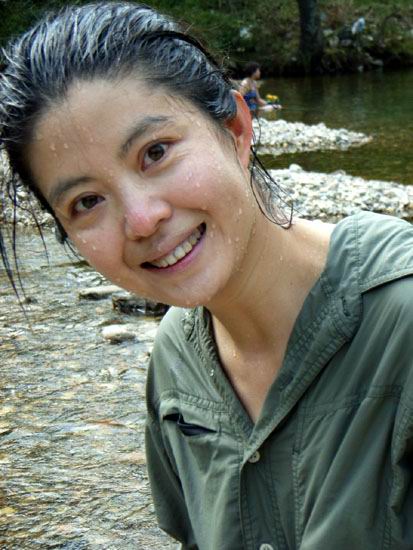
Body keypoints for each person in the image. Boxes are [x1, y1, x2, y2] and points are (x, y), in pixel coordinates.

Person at [1, 3, 413, 549]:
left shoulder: (401, 322)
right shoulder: (177, 360)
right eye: (87, 201)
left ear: (236, 129)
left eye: (155, 152)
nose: (142, 220)